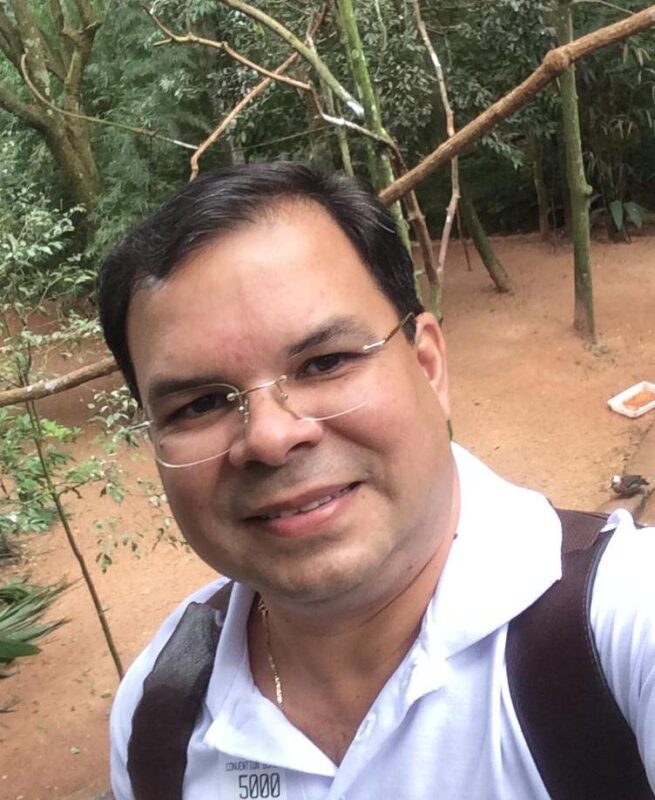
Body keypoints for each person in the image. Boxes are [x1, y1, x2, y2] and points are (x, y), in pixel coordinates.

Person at [99, 162, 655, 799]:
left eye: (325, 362)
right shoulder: (158, 717)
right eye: (199, 405)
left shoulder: (624, 626)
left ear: (428, 365)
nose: (271, 437)